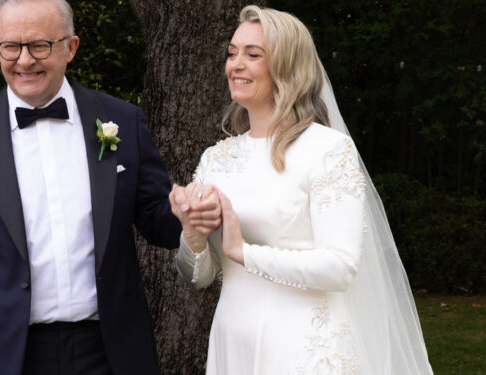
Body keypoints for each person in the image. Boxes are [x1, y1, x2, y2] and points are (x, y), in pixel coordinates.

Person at [0, 1, 218, 374]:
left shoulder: (122, 120)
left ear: (71, 47)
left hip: (110, 351)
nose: (24, 60)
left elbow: (157, 220)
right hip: (6, 356)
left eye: (40, 45)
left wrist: (186, 214)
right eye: (11, 46)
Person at [172, 5, 434, 374]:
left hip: (302, 347)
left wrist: (243, 251)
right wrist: (193, 234)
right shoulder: (216, 159)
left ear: (287, 66)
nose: (236, 65)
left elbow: (340, 268)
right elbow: (199, 277)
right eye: (232, 53)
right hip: (233, 340)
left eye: (253, 54)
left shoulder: (326, 150)